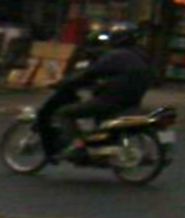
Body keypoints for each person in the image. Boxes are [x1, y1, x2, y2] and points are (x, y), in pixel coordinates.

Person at [51, 25, 152, 159]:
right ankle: (100, 147)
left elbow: (90, 73)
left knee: (64, 113)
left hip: (111, 99)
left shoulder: (116, 55)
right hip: (132, 100)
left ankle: (77, 147)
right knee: (99, 118)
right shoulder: (141, 55)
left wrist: (65, 82)